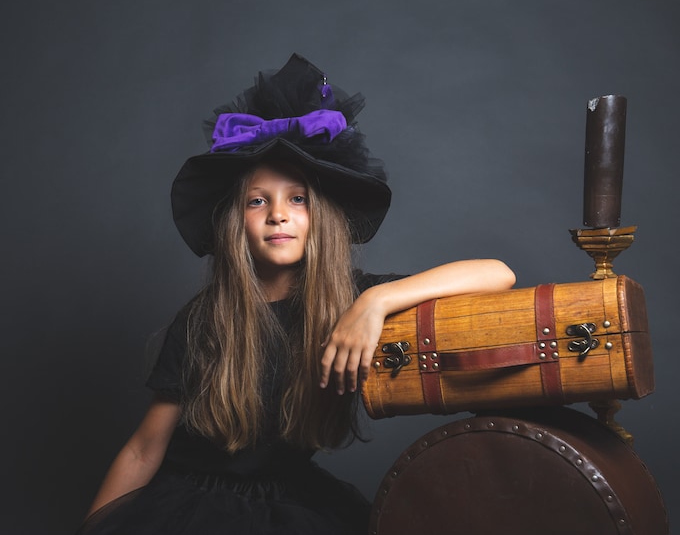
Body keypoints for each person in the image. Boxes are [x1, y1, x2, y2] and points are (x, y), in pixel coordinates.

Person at [77, 53, 515, 535]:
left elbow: (497, 273)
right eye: (257, 201)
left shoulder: (351, 299)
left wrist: (376, 302)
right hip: (193, 505)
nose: (278, 214)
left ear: (319, 217)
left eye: (297, 199)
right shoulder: (205, 319)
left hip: (293, 503)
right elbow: (144, 448)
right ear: (235, 223)